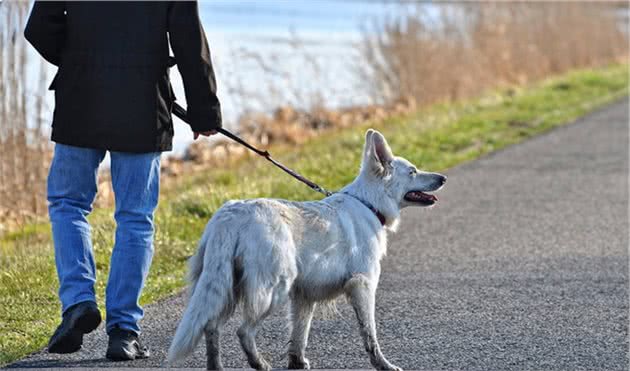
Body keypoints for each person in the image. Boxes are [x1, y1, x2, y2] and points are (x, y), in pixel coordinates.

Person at [24, 1, 221, 361]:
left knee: (68, 204)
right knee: (135, 217)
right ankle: (124, 331)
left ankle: (78, 302)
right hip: (143, 106)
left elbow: (38, 28)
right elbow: (189, 39)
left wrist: (78, 60)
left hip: (79, 99)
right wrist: (204, 109)